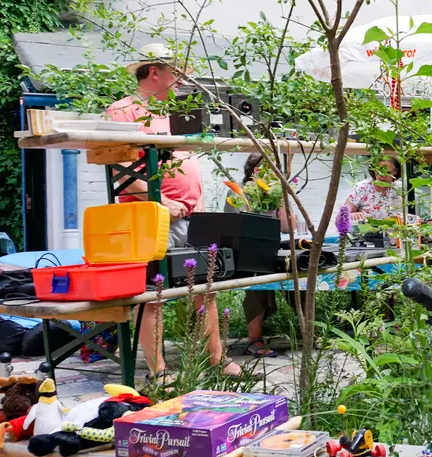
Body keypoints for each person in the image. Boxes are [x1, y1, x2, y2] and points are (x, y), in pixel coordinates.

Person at [105, 44, 241, 380]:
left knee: (206, 289)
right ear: (154, 72)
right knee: (154, 295)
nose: (182, 80)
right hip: (150, 217)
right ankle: (160, 372)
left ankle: (217, 359)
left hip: (193, 215)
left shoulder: (175, 113)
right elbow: (116, 169)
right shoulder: (122, 111)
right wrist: (159, 200)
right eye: (177, 73)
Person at [227, 152, 298, 357]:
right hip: (247, 253)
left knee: (301, 274)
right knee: (257, 281)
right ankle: (254, 340)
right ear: (254, 172)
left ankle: (308, 329)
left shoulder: (277, 193)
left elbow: (289, 228)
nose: (273, 175)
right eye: (268, 170)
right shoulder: (239, 194)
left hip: (275, 249)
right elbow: (234, 226)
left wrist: (282, 199)